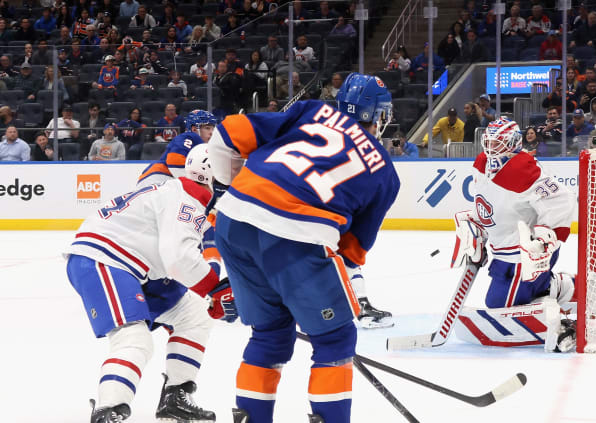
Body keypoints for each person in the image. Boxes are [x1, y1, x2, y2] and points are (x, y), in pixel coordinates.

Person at [206, 72, 400, 423]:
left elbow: (225, 136)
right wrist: (305, 296)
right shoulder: (386, 173)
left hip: (233, 222)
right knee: (335, 339)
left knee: (269, 335)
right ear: (380, 116)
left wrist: (233, 190)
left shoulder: (311, 111)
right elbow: (350, 253)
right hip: (298, 238)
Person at [65, 145, 232, 423]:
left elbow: (195, 255)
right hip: (104, 259)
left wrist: (219, 290)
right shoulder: (188, 197)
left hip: (135, 266)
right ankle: (108, 410)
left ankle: (175, 396)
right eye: (229, 169)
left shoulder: (187, 194)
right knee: (134, 338)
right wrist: (215, 288)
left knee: (195, 315)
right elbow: (179, 258)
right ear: (210, 172)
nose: (233, 176)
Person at [452, 117, 575, 348]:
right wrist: (477, 226)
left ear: (513, 143)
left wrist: (544, 239)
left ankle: (562, 324)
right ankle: (560, 286)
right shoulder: (481, 162)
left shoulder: (523, 168)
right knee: (497, 303)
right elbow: (489, 202)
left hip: (525, 256)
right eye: (488, 142)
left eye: (497, 143)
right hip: (502, 254)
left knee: (499, 307)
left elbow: (563, 199)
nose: (490, 149)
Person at [139, 110, 217, 186]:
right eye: (207, 128)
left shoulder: (202, 147)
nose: (211, 132)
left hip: (158, 179)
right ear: (194, 129)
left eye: (213, 129)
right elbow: (175, 162)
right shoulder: (190, 136)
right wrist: (197, 184)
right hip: (156, 177)